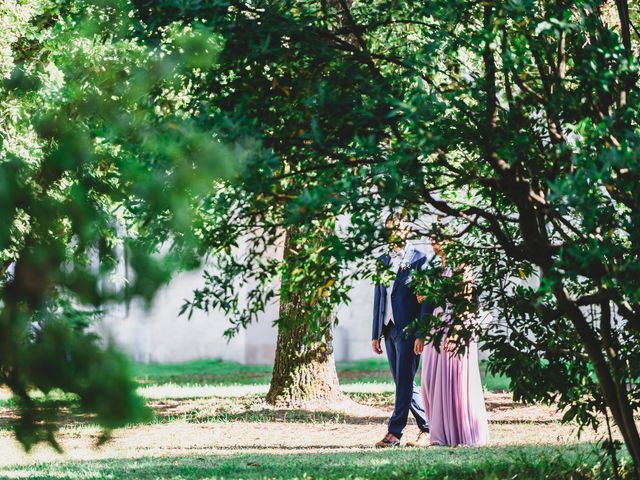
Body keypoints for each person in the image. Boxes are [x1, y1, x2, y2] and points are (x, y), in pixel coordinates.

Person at [414, 240, 489, 446]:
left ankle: (458, 435)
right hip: (435, 326)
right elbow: (435, 299)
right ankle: (438, 432)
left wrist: (457, 332)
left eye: (438, 239)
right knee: (429, 381)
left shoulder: (461, 266)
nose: (434, 243)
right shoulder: (438, 268)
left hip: (455, 325)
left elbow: (466, 302)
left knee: (453, 380)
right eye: (432, 239)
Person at [371, 213, 434, 447]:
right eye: (389, 229)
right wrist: (375, 333)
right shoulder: (383, 260)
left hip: (408, 329)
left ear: (407, 230)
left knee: (405, 380)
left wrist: (421, 333)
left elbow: (426, 301)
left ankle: (394, 432)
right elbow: (379, 298)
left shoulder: (420, 260)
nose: (392, 233)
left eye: (397, 228)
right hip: (388, 330)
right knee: (403, 382)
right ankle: (428, 427)